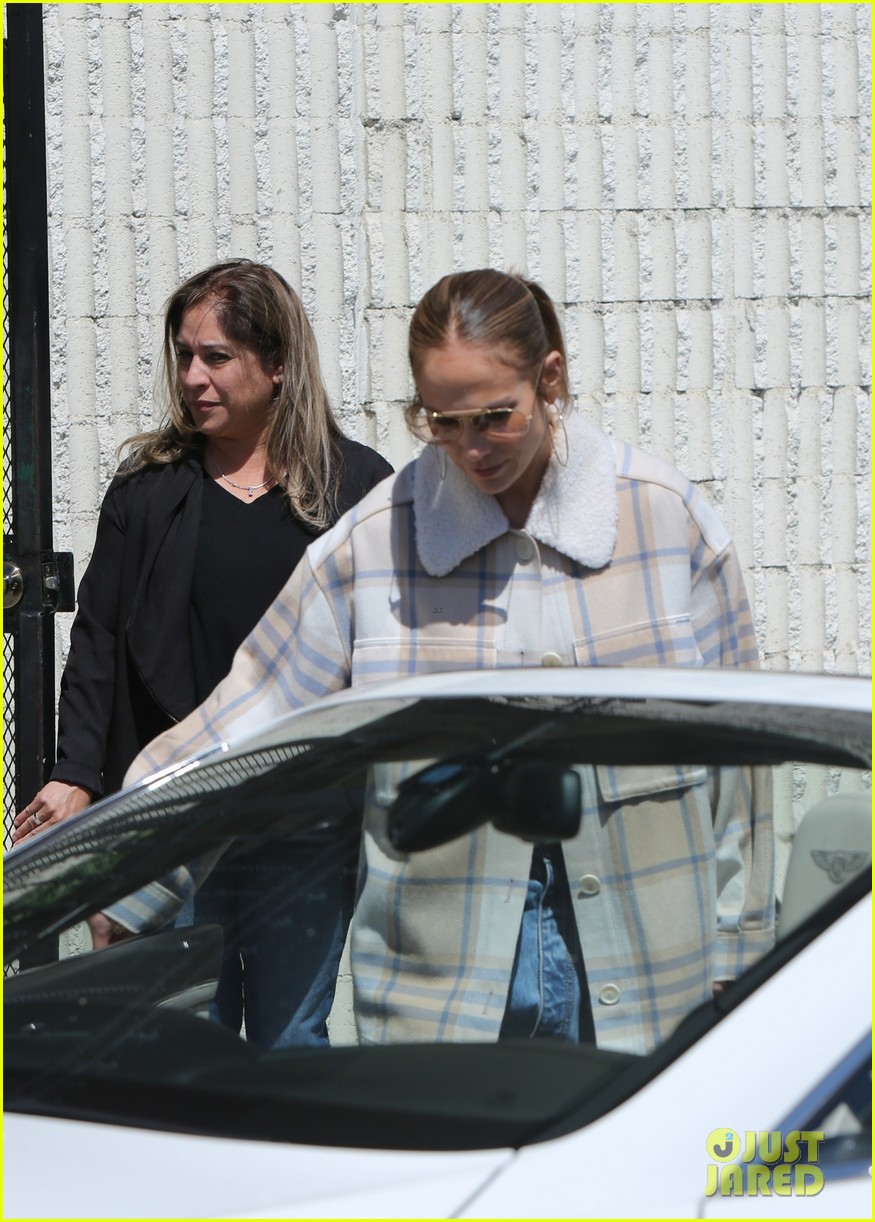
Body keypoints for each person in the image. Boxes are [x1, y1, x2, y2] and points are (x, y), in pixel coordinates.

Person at [99, 268, 775, 1054]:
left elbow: (740, 752)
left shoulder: (665, 520)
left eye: (495, 417)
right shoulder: (378, 542)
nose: (471, 448)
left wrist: (740, 946)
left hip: (651, 976)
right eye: (441, 422)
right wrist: (124, 868)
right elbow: (247, 713)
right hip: (443, 998)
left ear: (549, 378)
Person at [12, 258, 393, 1047]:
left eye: (216, 357)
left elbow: (390, 648)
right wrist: (77, 774)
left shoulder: (356, 487)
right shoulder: (149, 492)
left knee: (290, 1044)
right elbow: (99, 644)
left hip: (304, 818)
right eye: (184, 355)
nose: (192, 377)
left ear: (277, 364)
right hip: (175, 813)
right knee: (181, 1048)